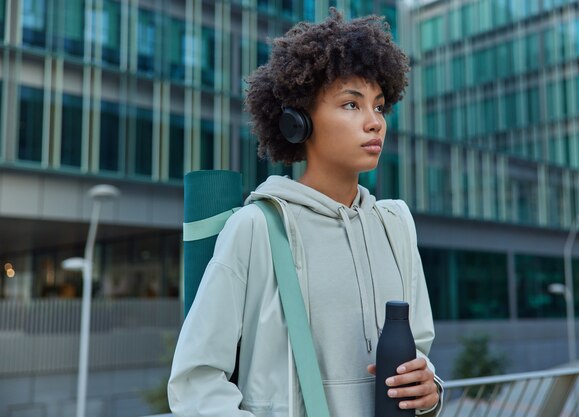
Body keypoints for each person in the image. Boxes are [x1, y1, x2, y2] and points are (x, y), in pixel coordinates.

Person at [168, 8, 443, 417]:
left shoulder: (395, 226)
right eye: (351, 105)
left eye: (379, 107)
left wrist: (430, 390)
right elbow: (196, 383)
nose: (374, 123)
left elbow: (419, 352)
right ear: (299, 122)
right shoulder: (256, 227)